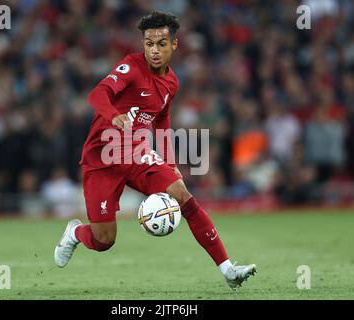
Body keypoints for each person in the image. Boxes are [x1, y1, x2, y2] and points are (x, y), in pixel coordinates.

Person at [54, 11, 256, 289]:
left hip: (137, 154)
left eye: (161, 43)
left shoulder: (171, 82)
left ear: (175, 44)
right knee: (104, 240)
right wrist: (113, 115)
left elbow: (161, 119)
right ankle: (75, 233)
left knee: (184, 196)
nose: (154, 50)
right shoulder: (130, 67)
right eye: (149, 43)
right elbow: (97, 94)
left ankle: (228, 269)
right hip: (102, 158)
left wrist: (170, 162)